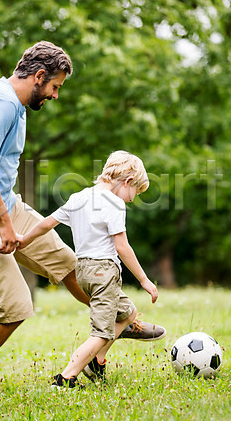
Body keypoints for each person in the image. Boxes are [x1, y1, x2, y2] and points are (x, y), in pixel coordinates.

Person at [0, 42, 163, 392]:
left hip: (3, 207)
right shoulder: (0, 105)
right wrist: (5, 224)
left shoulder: (15, 105)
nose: (56, 95)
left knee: (72, 264)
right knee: (15, 307)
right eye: (55, 86)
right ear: (39, 76)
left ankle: (122, 318)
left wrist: (8, 215)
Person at [17, 150, 165, 388]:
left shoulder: (79, 197)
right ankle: (66, 378)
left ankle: (96, 360)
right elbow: (122, 247)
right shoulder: (114, 203)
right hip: (103, 272)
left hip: (83, 270)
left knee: (128, 313)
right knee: (102, 333)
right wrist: (144, 280)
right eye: (135, 192)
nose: (132, 199)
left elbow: (46, 223)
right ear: (127, 181)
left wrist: (24, 239)